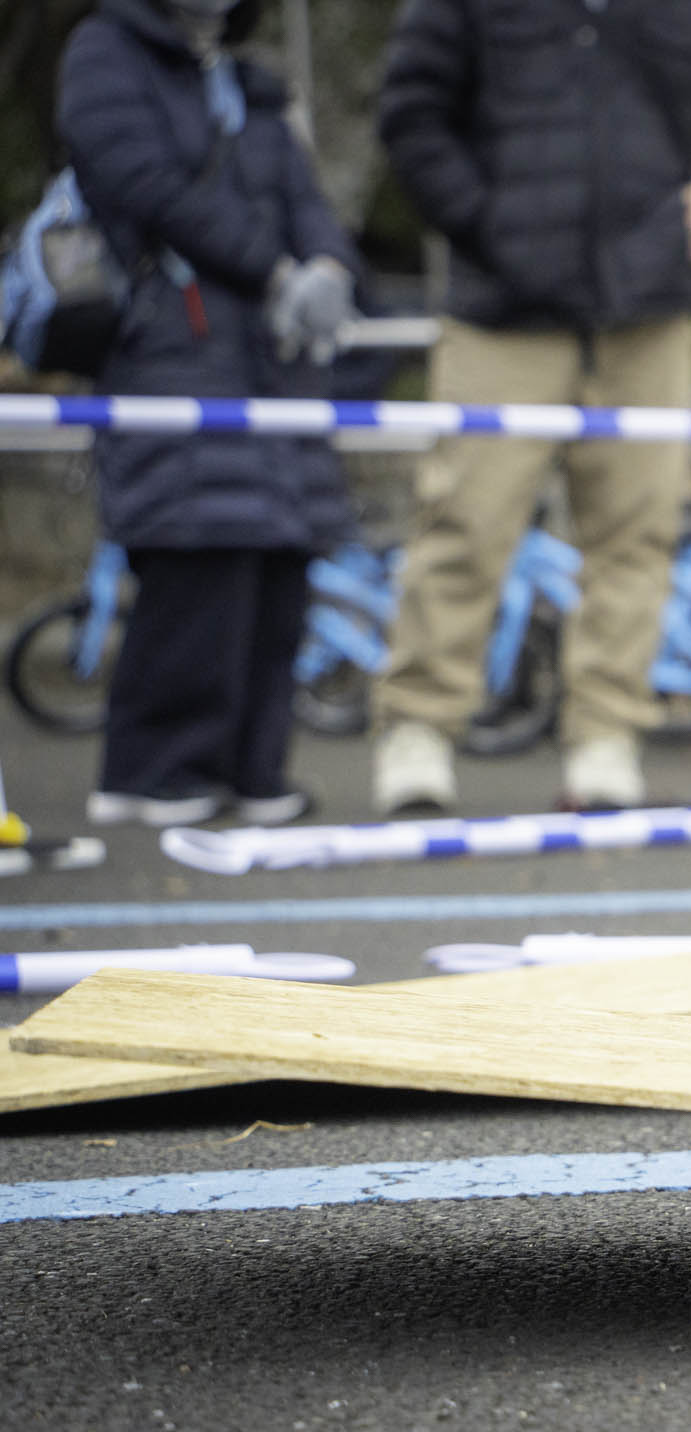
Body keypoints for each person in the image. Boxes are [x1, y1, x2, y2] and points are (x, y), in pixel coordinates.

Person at [373, 0, 691, 814]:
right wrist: (484, 222)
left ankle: (606, 737)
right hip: (500, 313)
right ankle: (417, 729)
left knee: (637, 534)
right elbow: (411, 115)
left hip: (650, 312)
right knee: (465, 518)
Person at [56, 0, 357, 829]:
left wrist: (328, 267)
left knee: (281, 559)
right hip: (168, 347)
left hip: (274, 356)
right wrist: (272, 272)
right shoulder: (105, 52)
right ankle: (157, 772)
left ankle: (255, 770)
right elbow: (140, 183)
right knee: (199, 557)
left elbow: (305, 194)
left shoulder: (245, 80)